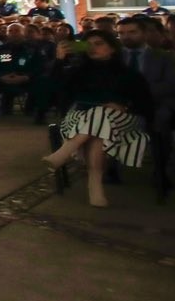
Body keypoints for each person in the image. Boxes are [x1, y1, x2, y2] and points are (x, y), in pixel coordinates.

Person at [45, 29, 153, 208]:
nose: (93, 48)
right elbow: (54, 88)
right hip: (81, 118)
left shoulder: (129, 74)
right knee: (98, 123)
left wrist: (125, 106)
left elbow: (145, 103)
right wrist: (59, 60)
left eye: (99, 44)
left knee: (102, 117)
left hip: (121, 119)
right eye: (89, 44)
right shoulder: (78, 71)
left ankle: (67, 153)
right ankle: (95, 186)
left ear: (112, 48)